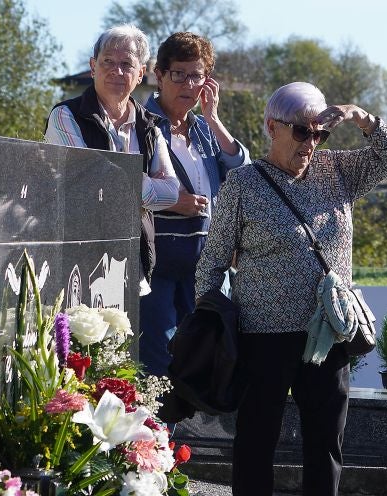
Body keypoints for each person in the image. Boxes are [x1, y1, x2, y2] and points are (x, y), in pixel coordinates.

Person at [195, 82, 387, 496]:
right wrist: (208, 327)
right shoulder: (243, 184)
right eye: (301, 132)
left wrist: (358, 115)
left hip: (329, 332)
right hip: (264, 336)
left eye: (319, 134)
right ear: (272, 127)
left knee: (326, 441)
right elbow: (212, 261)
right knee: (256, 440)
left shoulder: (337, 171)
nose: (310, 143)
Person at [140, 32, 251, 377]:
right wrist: (173, 202)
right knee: (158, 363)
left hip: (205, 268)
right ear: (159, 75)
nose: (188, 84)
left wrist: (214, 119)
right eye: (179, 74)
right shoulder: (139, 124)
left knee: (203, 362)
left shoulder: (204, 128)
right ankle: (155, 417)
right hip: (156, 265)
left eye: (197, 76)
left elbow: (242, 173)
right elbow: (124, 186)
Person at [44, 26, 178, 311]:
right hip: (76, 258)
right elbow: (86, 180)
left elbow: (171, 192)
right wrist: (142, 183)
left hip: (131, 261)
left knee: (122, 340)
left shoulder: (150, 127)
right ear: (93, 67)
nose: (117, 71)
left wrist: (121, 181)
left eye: (127, 64)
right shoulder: (66, 116)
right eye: (108, 62)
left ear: (140, 73)